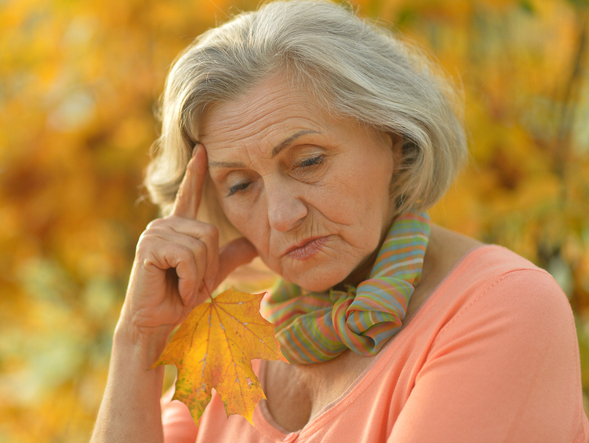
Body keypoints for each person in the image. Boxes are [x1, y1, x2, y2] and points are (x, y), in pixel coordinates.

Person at [90, 1, 589, 441]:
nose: (282, 217)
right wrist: (138, 341)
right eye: (241, 186)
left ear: (392, 134)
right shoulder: (241, 342)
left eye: (308, 161)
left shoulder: (504, 305)